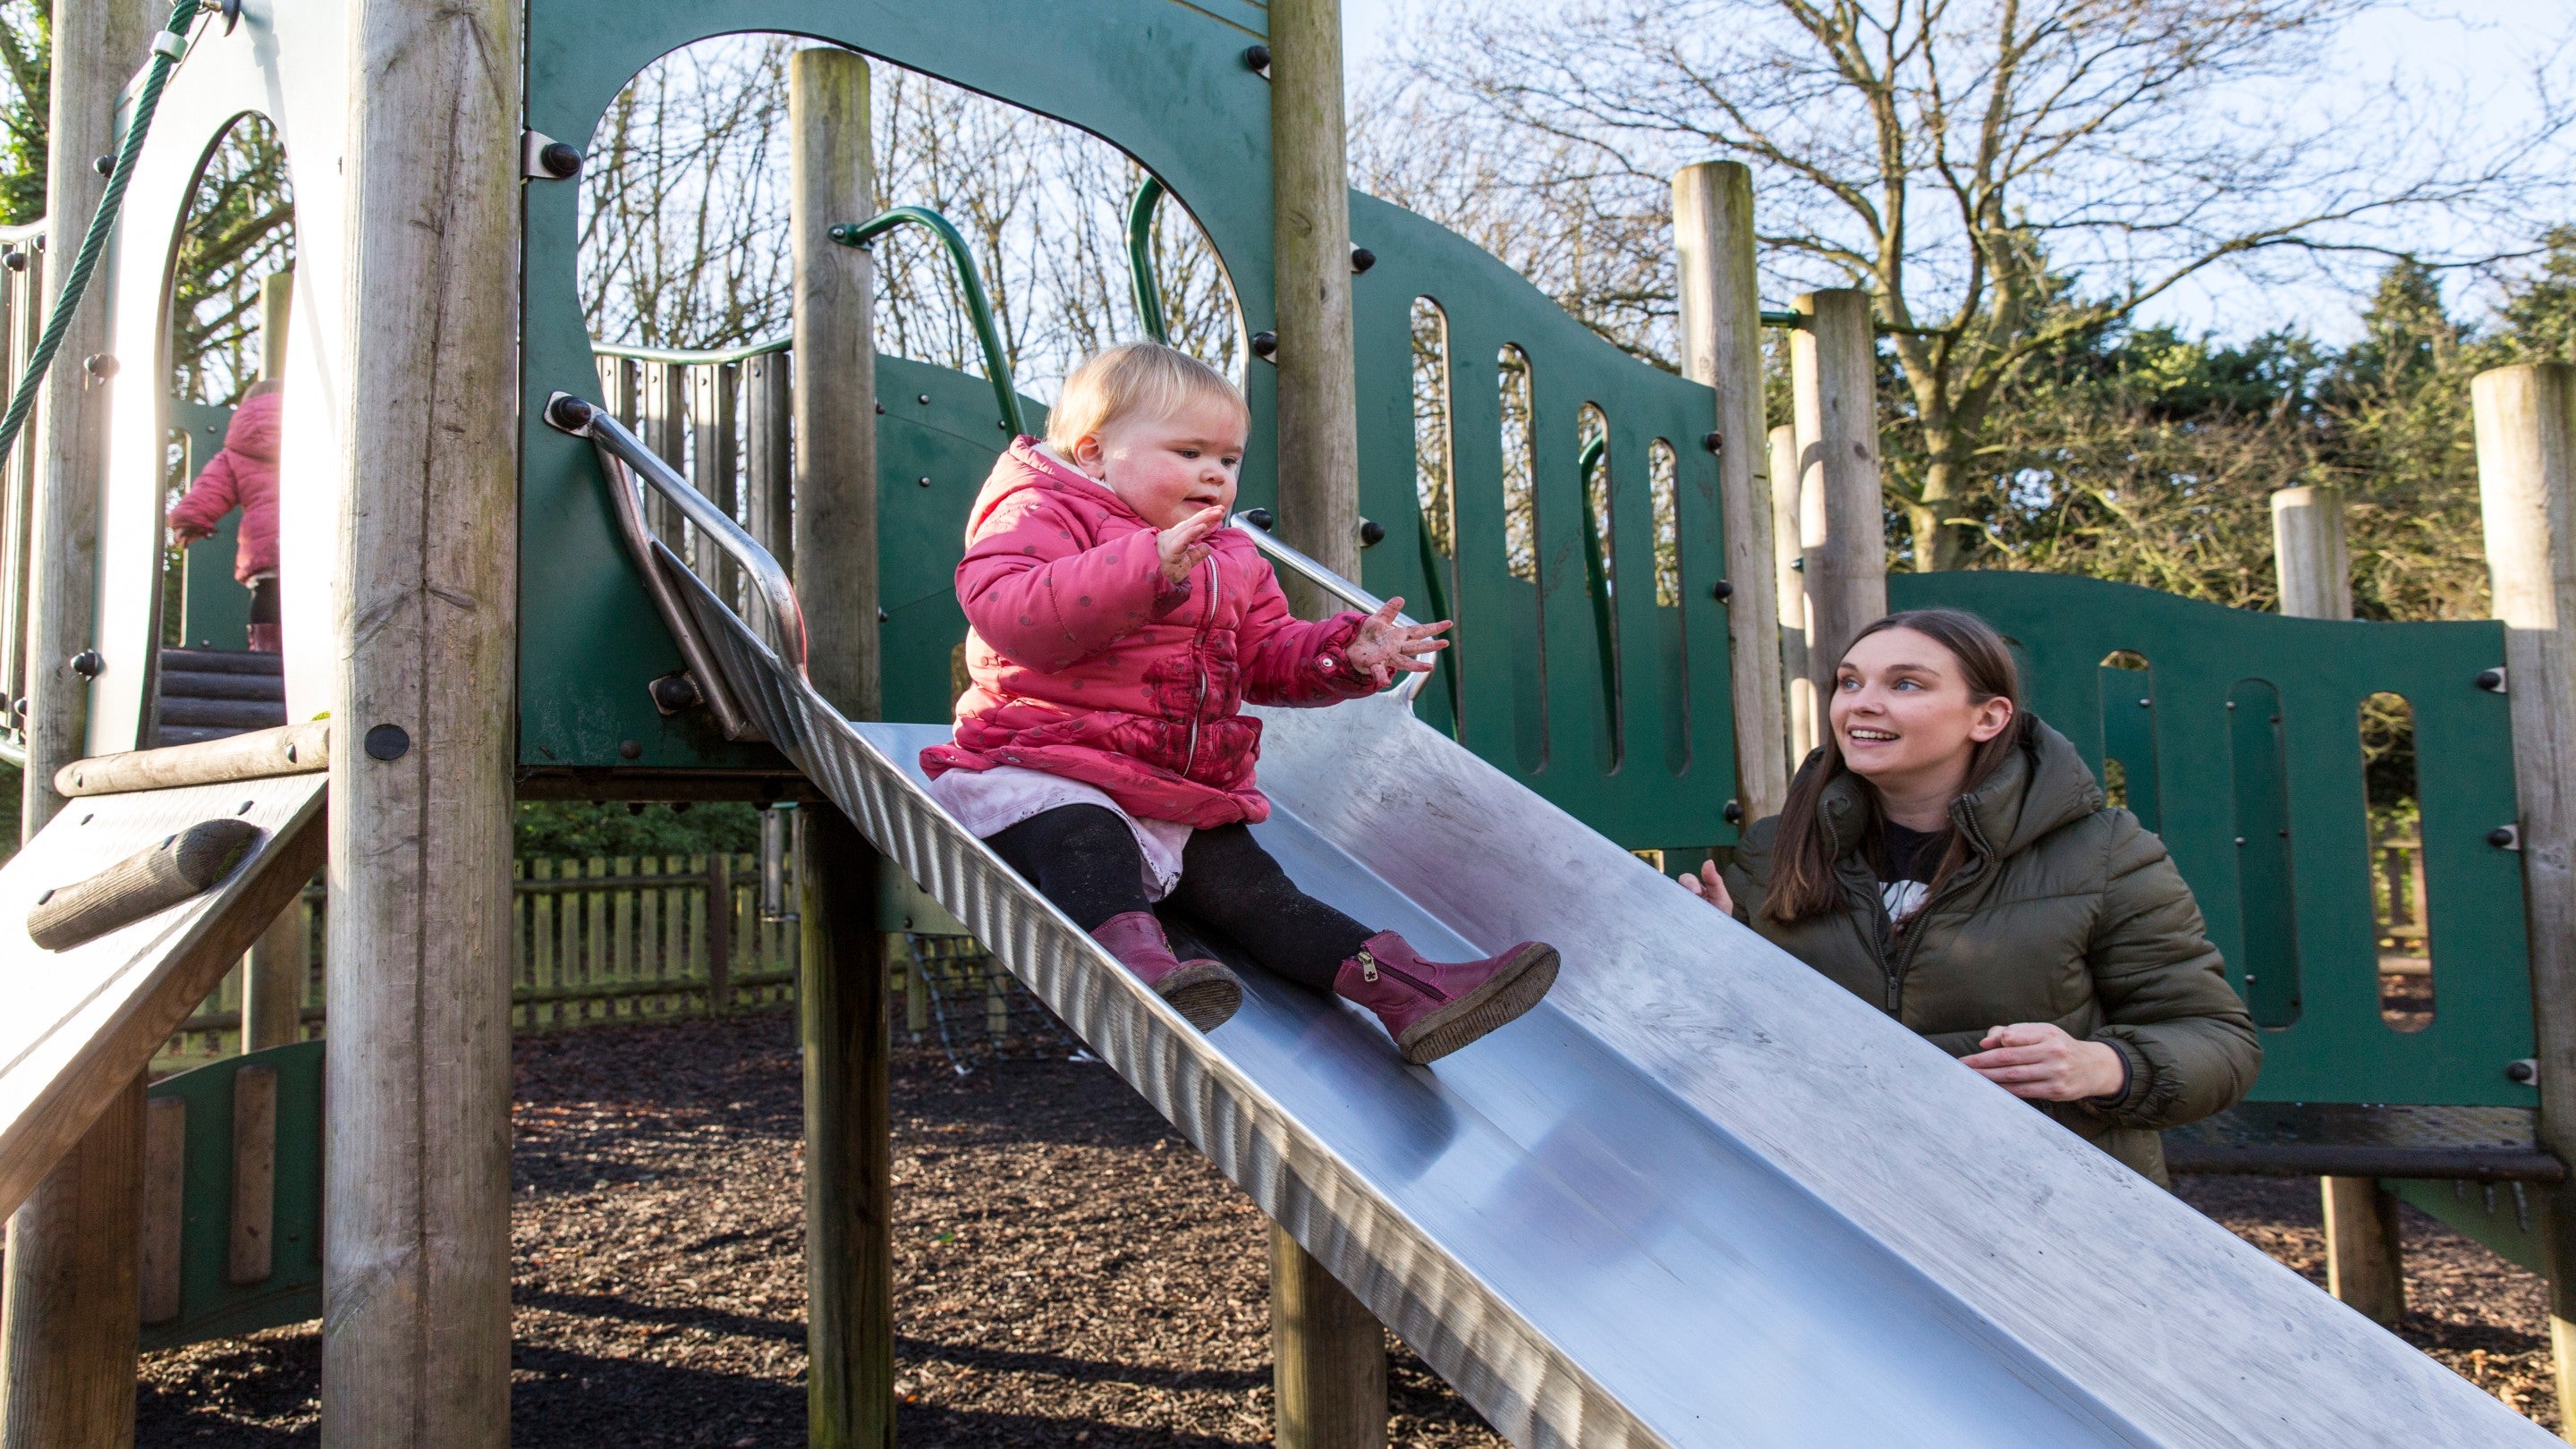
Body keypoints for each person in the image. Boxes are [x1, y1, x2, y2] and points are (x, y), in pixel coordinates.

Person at [921, 342, 1558, 1062]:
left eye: (1228, 459)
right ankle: (1135, 972)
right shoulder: (1039, 509)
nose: (1214, 474)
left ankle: (1407, 991)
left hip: (1169, 788)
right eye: (1189, 451)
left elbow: (1262, 654)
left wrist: (1342, 654)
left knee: (1261, 896)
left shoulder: (1232, 557)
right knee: (1085, 840)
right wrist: (1144, 567)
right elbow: (1010, 612)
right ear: (1096, 453)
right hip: (1040, 765)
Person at [1682, 608, 2258, 1181]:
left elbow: (2219, 1041)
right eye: (1850, 682)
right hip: (1831, 1190)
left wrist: (2101, 1066)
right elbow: (1740, 1043)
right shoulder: (1775, 849)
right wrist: (1722, 955)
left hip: (2044, 1207)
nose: (1860, 702)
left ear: (1988, 717)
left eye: (1905, 684)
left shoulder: (2103, 853)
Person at [167, 378, 284, 651]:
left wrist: (189, 521)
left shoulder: (235, 451)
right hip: (313, 537)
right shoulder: (319, 435)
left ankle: (267, 651)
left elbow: (210, 490)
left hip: (265, 543)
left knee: (268, 592)